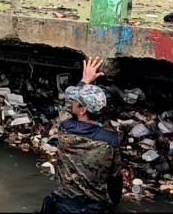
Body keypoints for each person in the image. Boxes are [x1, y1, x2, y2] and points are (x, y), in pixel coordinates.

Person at [42, 57, 122, 213]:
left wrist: (85, 80)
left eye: (76, 102)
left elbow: (65, 105)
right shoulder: (111, 140)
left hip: (64, 206)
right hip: (96, 208)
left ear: (83, 110)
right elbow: (115, 180)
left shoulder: (66, 128)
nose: (72, 103)